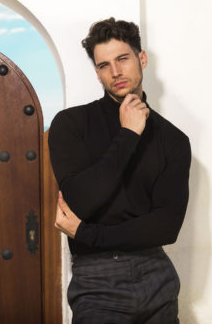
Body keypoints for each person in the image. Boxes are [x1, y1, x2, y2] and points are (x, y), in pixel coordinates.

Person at [48, 18, 191, 324]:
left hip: (157, 276)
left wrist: (87, 233)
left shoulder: (173, 140)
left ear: (142, 58)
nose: (115, 71)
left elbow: (166, 227)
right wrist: (128, 135)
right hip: (97, 280)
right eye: (104, 65)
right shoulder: (71, 124)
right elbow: (81, 202)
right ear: (97, 72)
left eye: (123, 59)